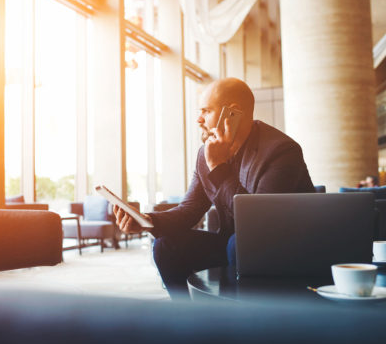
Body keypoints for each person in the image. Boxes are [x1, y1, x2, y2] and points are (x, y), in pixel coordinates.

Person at [113, 78, 315, 300]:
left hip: (281, 249)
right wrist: (145, 221)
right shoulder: (206, 153)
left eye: (206, 111)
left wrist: (218, 168)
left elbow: (259, 225)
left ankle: (243, 323)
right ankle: (190, 319)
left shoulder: (281, 151)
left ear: (233, 113)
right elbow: (189, 210)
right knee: (166, 247)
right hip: (235, 246)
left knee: (235, 244)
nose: (199, 119)